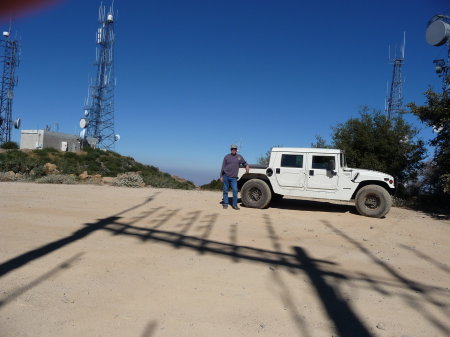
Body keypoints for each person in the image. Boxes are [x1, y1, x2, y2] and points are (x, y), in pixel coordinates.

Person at [220, 144, 249, 210]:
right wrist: (221, 176)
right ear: (230, 149)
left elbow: (245, 163)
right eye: (232, 149)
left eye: (235, 149)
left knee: (235, 191)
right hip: (226, 176)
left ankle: (235, 205)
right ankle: (225, 204)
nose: (233, 150)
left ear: (236, 150)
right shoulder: (226, 157)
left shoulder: (239, 157)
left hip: (234, 178)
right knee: (225, 191)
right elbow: (223, 167)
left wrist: (247, 167)